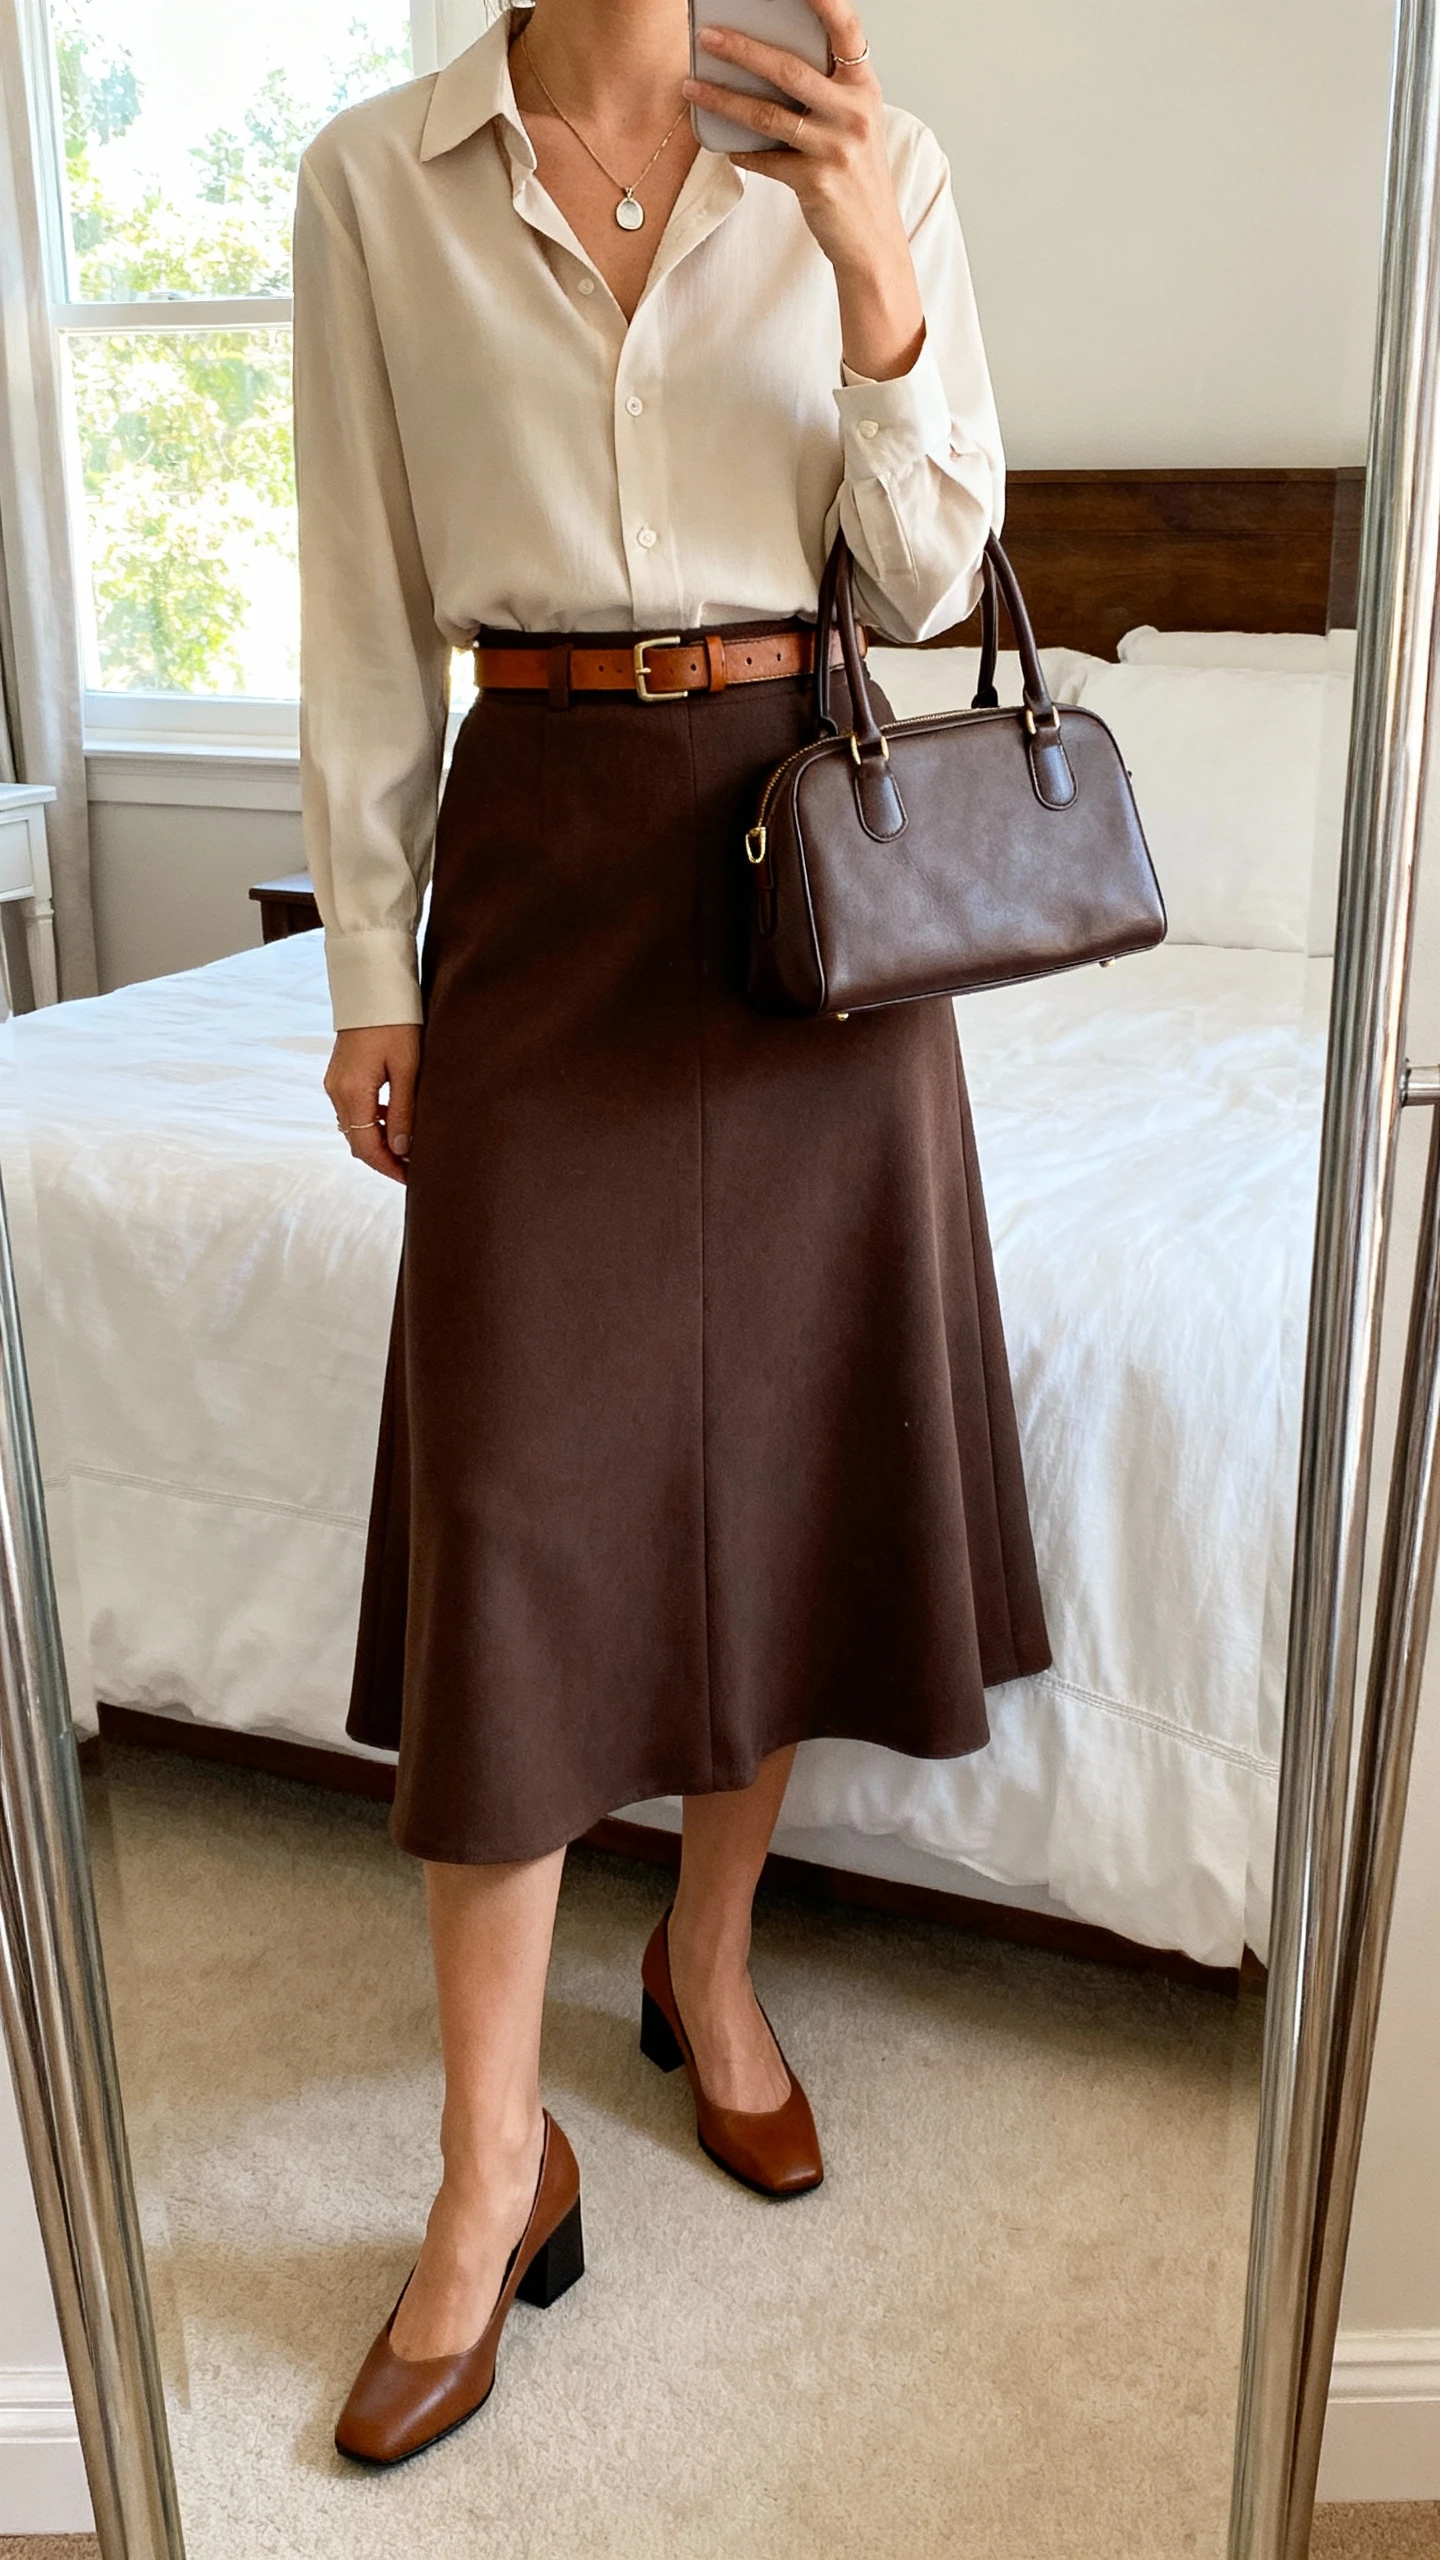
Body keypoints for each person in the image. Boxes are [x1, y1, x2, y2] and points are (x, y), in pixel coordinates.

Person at [291, 0, 1049, 2467]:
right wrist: (372, 969)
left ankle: (705, 1958)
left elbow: (929, 587)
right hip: (538, 853)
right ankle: (483, 2169)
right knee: (516, 1502)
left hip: (813, 853)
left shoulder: (872, 156)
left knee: (789, 1448)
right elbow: (356, 597)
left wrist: (870, 278)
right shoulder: (374, 182)